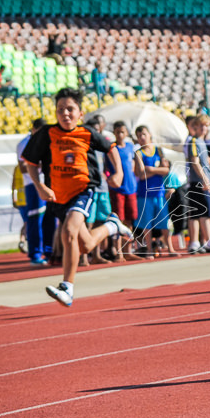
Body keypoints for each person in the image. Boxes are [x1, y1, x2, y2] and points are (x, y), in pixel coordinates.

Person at [21, 88, 132, 307]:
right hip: (58, 196)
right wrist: (40, 185)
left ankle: (67, 288)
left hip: (84, 190)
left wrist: (118, 172)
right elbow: (31, 163)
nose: (66, 114)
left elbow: (111, 148)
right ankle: (111, 226)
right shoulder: (46, 134)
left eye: (70, 109)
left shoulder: (87, 133)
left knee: (69, 231)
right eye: (61, 110)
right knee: (87, 245)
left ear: (80, 113)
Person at [17, 118, 54, 265]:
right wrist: (39, 165)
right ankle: (35, 254)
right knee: (35, 219)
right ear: (34, 129)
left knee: (51, 219)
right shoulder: (24, 143)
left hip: (49, 183)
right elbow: (22, 167)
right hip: (33, 185)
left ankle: (50, 251)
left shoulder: (48, 140)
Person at [133, 125, 171, 258]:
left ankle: (170, 248)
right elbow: (141, 175)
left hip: (159, 193)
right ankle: (149, 249)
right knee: (146, 223)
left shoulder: (159, 151)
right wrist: (156, 171)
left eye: (144, 134)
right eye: (139, 136)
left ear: (149, 134)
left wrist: (151, 170)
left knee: (164, 222)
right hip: (144, 194)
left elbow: (166, 170)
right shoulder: (138, 153)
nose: (142, 138)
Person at [184, 115, 210, 254]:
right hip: (198, 182)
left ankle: (196, 242)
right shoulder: (194, 141)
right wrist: (204, 179)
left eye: (206, 126)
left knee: (197, 213)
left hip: (200, 181)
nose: (204, 128)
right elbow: (194, 161)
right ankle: (208, 241)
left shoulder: (202, 142)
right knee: (203, 213)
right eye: (201, 125)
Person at [107, 120, 138, 261]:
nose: (120, 135)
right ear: (114, 132)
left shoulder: (130, 147)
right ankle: (118, 252)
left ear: (126, 133)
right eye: (118, 132)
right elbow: (106, 169)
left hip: (131, 187)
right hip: (117, 188)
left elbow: (133, 165)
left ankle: (128, 250)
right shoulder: (111, 148)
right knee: (118, 220)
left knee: (130, 220)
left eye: (122, 132)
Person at [85, 115, 114, 264]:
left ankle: (97, 254)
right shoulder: (84, 144)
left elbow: (107, 162)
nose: (95, 133)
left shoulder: (102, 145)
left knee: (101, 221)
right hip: (90, 188)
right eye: (92, 130)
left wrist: (109, 175)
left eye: (98, 130)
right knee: (87, 222)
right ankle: (84, 255)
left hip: (103, 187)